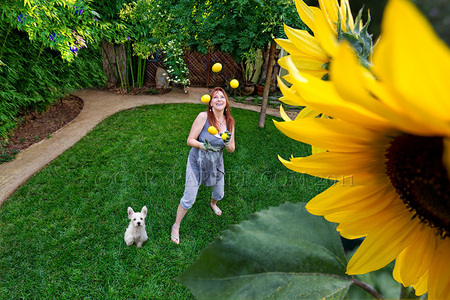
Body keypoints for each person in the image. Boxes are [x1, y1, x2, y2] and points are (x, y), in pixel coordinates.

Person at [170, 87, 235, 244]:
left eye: (222, 97)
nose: (219, 99)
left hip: (215, 164)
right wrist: (204, 146)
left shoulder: (230, 122)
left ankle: (213, 204)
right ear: (211, 103)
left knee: (219, 194)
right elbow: (190, 140)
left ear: (226, 103)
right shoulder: (203, 117)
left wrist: (227, 142)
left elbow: (231, 149)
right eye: (215, 97)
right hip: (197, 162)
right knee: (189, 199)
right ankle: (176, 226)